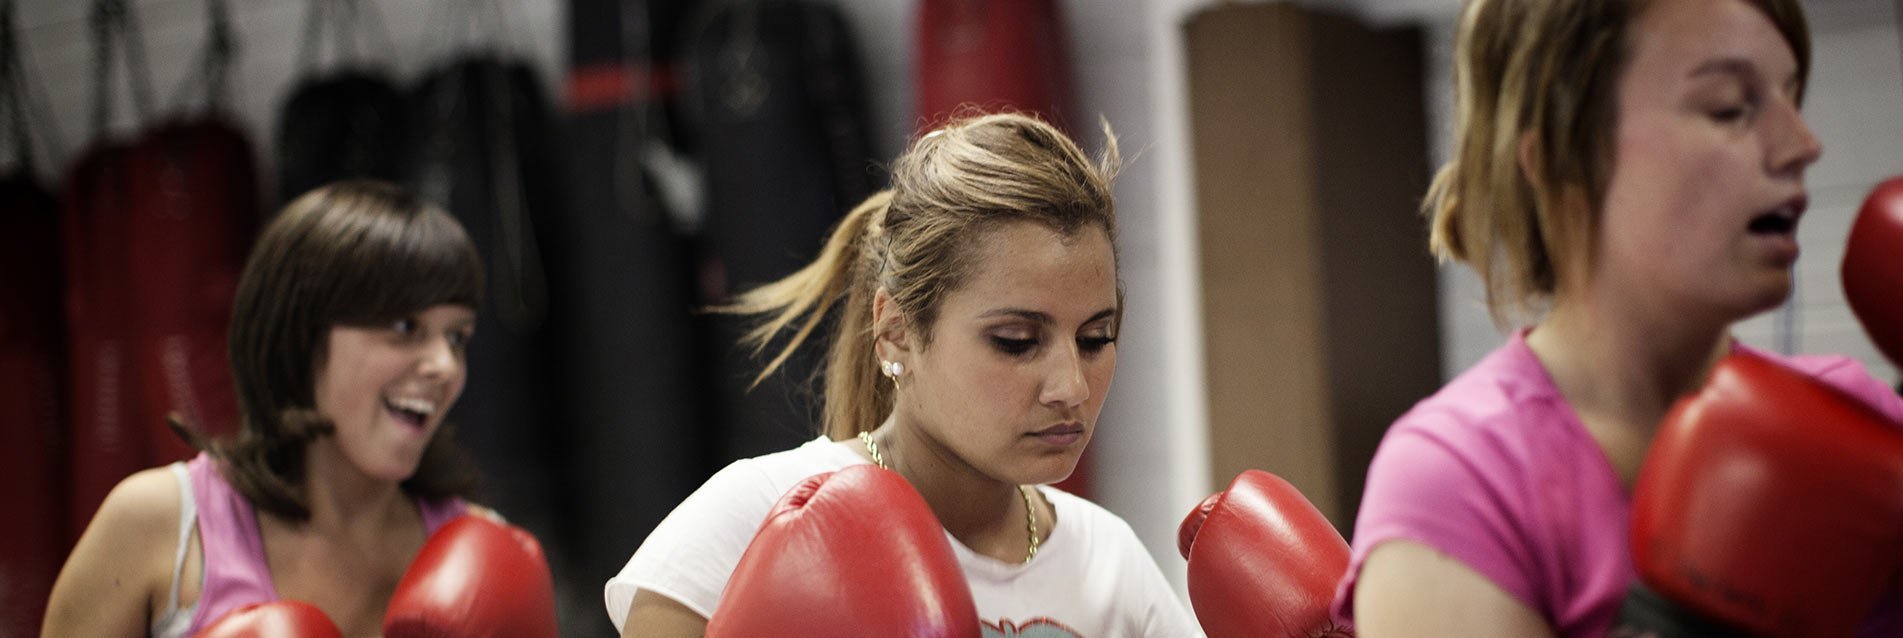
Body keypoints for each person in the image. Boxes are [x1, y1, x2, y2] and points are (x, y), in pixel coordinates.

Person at [1335, 0, 1903, 636]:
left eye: (1793, 98)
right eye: (1729, 108)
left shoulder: (1858, 414)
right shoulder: (1459, 479)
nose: (1802, 145)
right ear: (1557, 156)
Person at [604, 112, 1201, 637]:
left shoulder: (1110, 565)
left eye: (1096, 338)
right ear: (896, 332)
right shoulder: (749, 518)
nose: (1071, 386)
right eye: (1016, 342)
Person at [43, 180, 495, 636]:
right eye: (405, 326)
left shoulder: (481, 551)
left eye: (457, 336)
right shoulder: (160, 528)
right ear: (302, 335)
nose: (445, 365)